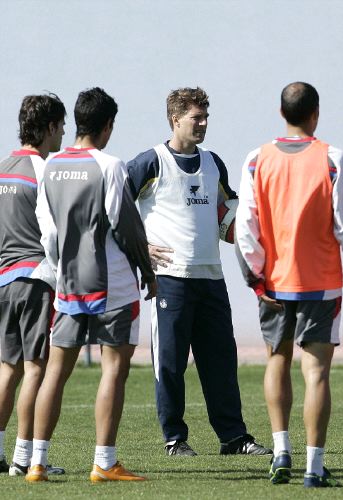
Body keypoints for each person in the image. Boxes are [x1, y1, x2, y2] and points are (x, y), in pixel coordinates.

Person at [126, 87, 271, 457]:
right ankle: (175, 439)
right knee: (171, 365)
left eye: (206, 116)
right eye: (197, 117)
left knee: (221, 362)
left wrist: (253, 233)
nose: (204, 123)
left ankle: (234, 438)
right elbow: (114, 206)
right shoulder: (151, 162)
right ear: (176, 119)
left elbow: (227, 215)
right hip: (170, 280)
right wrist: (140, 248)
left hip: (212, 279)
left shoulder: (213, 163)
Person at [25, 87, 156, 483]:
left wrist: (64, 266)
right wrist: (147, 270)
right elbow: (125, 225)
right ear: (108, 126)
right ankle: (104, 462)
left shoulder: (51, 166)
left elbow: (46, 230)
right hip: (112, 283)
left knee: (55, 372)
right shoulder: (110, 166)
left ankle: (36, 463)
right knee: (113, 369)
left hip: (68, 285)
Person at [235, 82, 343, 488]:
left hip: (275, 283)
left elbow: (247, 225)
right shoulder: (332, 159)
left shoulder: (256, 159)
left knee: (276, 360)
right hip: (322, 282)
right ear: (315, 113)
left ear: (282, 113)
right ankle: (313, 468)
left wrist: (256, 276)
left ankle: (281, 452)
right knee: (316, 373)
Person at [0, 94, 66, 476]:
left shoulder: (4, 166)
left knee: (7, 370)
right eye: (59, 126)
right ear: (45, 128)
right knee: (36, 368)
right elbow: (53, 231)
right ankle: (24, 459)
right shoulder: (45, 170)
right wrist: (61, 275)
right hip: (35, 278)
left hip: (4, 281)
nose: (62, 133)